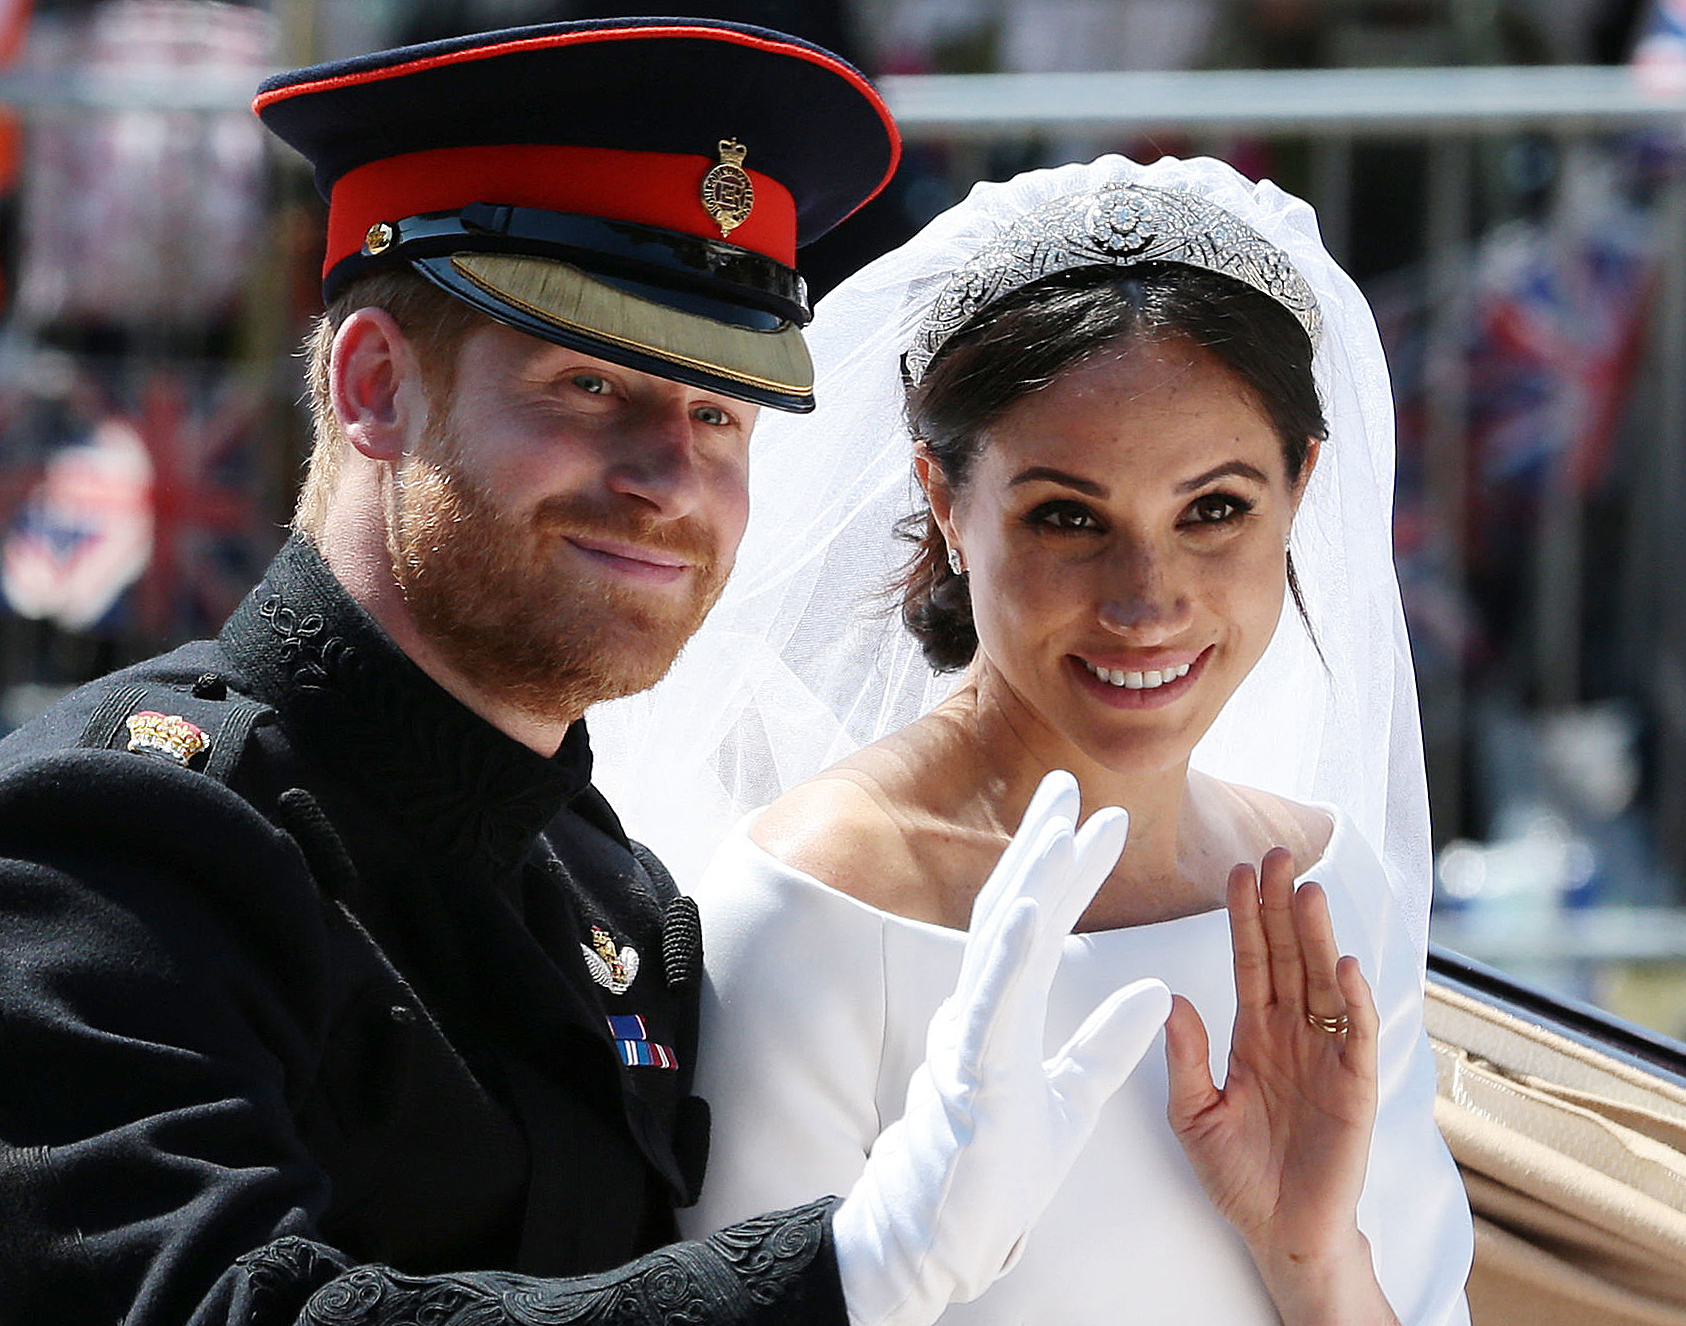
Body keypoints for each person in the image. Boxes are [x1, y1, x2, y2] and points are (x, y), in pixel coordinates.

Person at [0, 22, 1176, 1326]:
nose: (667, 478)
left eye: (717, 411)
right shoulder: (85, 854)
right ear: (376, 385)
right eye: (590, 387)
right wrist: (848, 1272)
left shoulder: (599, 884)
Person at [593, 154, 1476, 1324]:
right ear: (947, 502)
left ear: (1301, 487)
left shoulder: (1320, 887)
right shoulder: (822, 901)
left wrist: (1312, 1256)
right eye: (1067, 517)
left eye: (1214, 508)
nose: (1146, 598)